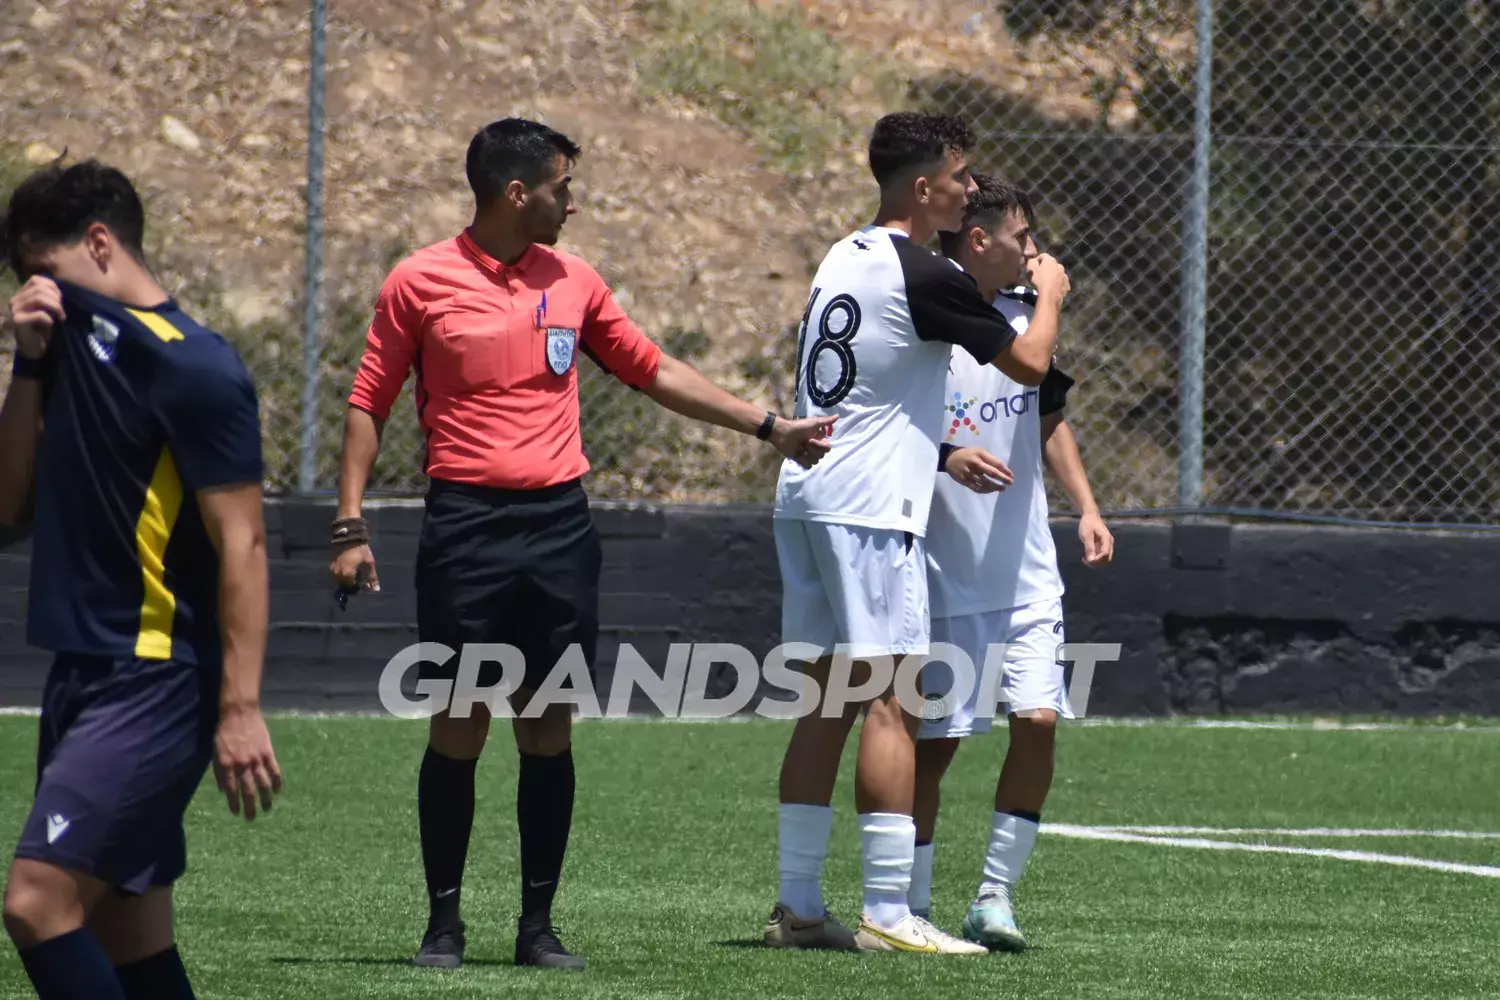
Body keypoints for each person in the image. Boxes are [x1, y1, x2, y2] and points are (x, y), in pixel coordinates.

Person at [329, 117, 835, 973]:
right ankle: (443, 928)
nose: (573, 202)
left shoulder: (575, 281)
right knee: (459, 723)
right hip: (464, 527)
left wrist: (767, 425)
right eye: (561, 187)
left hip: (559, 529)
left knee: (547, 726)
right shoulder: (419, 280)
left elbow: (652, 368)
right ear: (515, 192)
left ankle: (537, 929)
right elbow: (368, 400)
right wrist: (349, 525)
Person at [766, 113, 1071, 955]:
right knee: (892, 703)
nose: (970, 189)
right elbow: (1030, 365)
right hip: (869, 507)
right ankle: (890, 913)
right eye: (961, 176)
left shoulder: (843, 254)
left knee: (827, 702)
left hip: (810, 490)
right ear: (924, 185)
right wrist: (1049, 295)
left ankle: (799, 906)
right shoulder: (925, 270)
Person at [0, 160, 281, 1000]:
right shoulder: (65, 353)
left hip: (154, 679)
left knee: (36, 903)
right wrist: (27, 366)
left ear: (99, 243)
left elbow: (244, 544)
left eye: (44, 273)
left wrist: (240, 708)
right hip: (80, 672)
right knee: (126, 933)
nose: (36, 294)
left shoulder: (195, 367)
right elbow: (6, 508)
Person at [911, 173, 1113, 951]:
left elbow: (1047, 413)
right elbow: (884, 423)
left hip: (1025, 570)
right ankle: (910, 903)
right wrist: (947, 456)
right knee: (936, 747)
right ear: (979, 238)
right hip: (946, 572)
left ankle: (994, 898)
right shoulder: (928, 310)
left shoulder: (1025, 313)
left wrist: (1085, 506)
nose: (1035, 251)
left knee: (1037, 722)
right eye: (1023, 236)